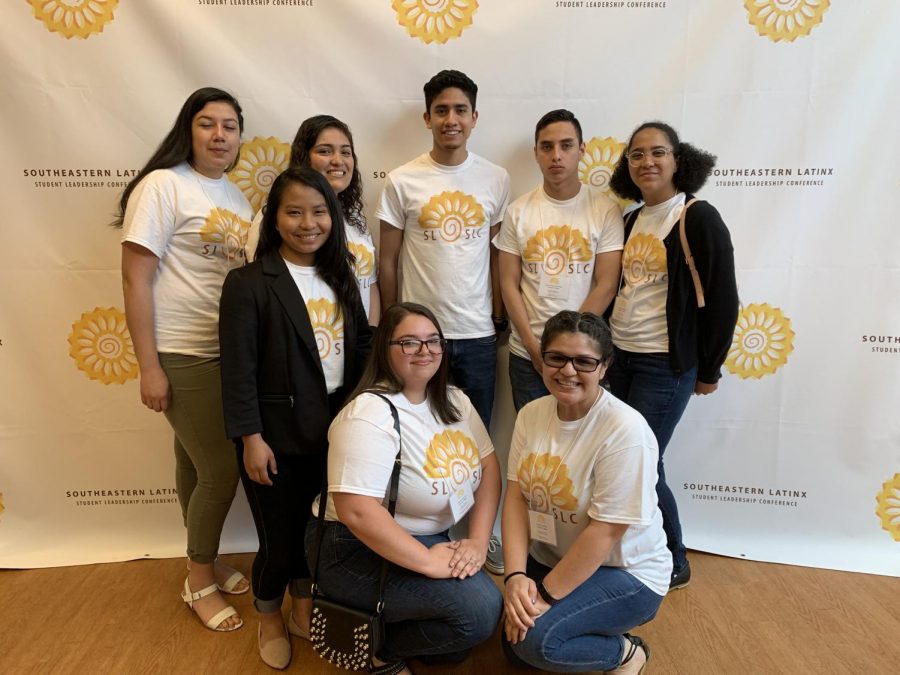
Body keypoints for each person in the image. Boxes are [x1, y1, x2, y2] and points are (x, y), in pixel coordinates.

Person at [219, 167, 372, 669]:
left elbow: (361, 350)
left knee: (316, 532)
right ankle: (269, 615)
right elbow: (238, 370)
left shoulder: (343, 275)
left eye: (319, 210)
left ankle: (304, 608)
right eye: (294, 212)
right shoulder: (248, 283)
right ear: (274, 218)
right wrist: (250, 437)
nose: (308, 223)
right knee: (279, 540)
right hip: (275, 437)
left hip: (335, 429)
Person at [117, 87, 253, 632]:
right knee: (221, 470)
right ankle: (198, 578)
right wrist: (148, 365)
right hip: (181, 349)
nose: (219, 135)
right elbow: (135, 276)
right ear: (187, 130)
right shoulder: (163, 185)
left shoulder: (237, 198)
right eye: (207, 124)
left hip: (224, 352)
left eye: (229, 126)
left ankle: (207, 555)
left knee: (194, 463)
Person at [305, 302, 503, 675]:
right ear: (385, 349)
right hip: (351, 548)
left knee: (467, 629)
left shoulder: (455, 400)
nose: (425, 351)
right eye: (409, 342)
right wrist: (428, 563)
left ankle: (391, 623)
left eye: (433, 341)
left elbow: (489, 470)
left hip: (423, 535)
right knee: (478, 612)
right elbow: (356, 511)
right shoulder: (370, 414)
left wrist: (478, 541)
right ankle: (369, 646)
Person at [377, 69, 511, 574]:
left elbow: (500, 255)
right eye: (441, 111)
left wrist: (499, 314)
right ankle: (421, 536)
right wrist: (395, 328)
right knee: (417, 439)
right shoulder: (402, 179)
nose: (450, 120)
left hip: (475, 336)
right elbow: (387, 261)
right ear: (427, 117)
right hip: (416, 340)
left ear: (474, 118)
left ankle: (480, 537)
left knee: (473, 443)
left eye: (460, 111)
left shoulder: (495, 178)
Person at [607, 121, 739, 590]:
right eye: (637, 155)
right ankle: (633, 547)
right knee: (633, 459)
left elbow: (723, 300)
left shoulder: (696, 217)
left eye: (657, 152)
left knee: (640, 460)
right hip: (619, 357)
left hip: (664, 364)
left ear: (678, 160)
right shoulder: (629, 218)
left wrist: (709, 368)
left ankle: (674, 557)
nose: (647, 162)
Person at [501, 311, 669, 674]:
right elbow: (515, 497)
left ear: (604, 367)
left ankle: (626, 652)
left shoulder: (625, 431)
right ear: (541, 359)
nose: (568, 370)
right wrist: (514, 576)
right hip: (557, 558)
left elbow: (605, 531)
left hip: (628, 572)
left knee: (534, 642)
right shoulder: (531, 414)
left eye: (584, 361)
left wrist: (544, 596)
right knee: (513, 643)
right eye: (557, 357)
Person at [495, 109, 623, 412]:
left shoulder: (605, 210)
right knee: (534, 445)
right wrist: (532, 345)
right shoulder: (518, 211)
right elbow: (508, 283)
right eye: (547, 146)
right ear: (536, 153)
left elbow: (607, 284)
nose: (556, 155)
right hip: (528, 355)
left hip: (584, 357)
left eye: (566, 146)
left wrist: (567, 347)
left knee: (584, 445)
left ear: (582, 151)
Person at [246, 115, 380, 325]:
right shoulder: (273, 216)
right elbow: (261, 291)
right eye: (325, 151)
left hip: (356, 344)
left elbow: (370, 285)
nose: (338, 160)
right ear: (304, 157)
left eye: (345, 152)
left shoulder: (355, 218)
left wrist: (370, 341)